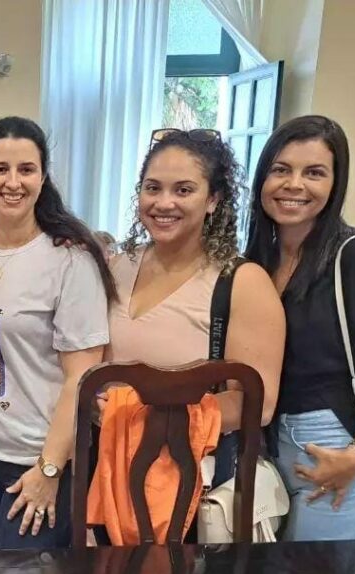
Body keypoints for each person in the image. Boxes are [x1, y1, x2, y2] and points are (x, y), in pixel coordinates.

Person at [244, 115, 355, 540]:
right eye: (281, 169)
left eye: (314, 173)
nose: (294, 185)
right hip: (268, 448)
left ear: (335, 183)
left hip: (335, 446)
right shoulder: (257, 261)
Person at [0, 116, 113, 550]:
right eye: (1, 169)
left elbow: (81, 377)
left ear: (43, 177)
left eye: (26, 169)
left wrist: (49, 469)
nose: (13, 182)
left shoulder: (70, 260)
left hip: (34, 460)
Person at [105, 128, 284, 483]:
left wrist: (147, 415)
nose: (163, 203)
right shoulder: (116, 266)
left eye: (183, 190)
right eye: (152, 188)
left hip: (186, 477)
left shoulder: (242, 283)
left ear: (213, 199)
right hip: (106, 466)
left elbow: (257, 404)